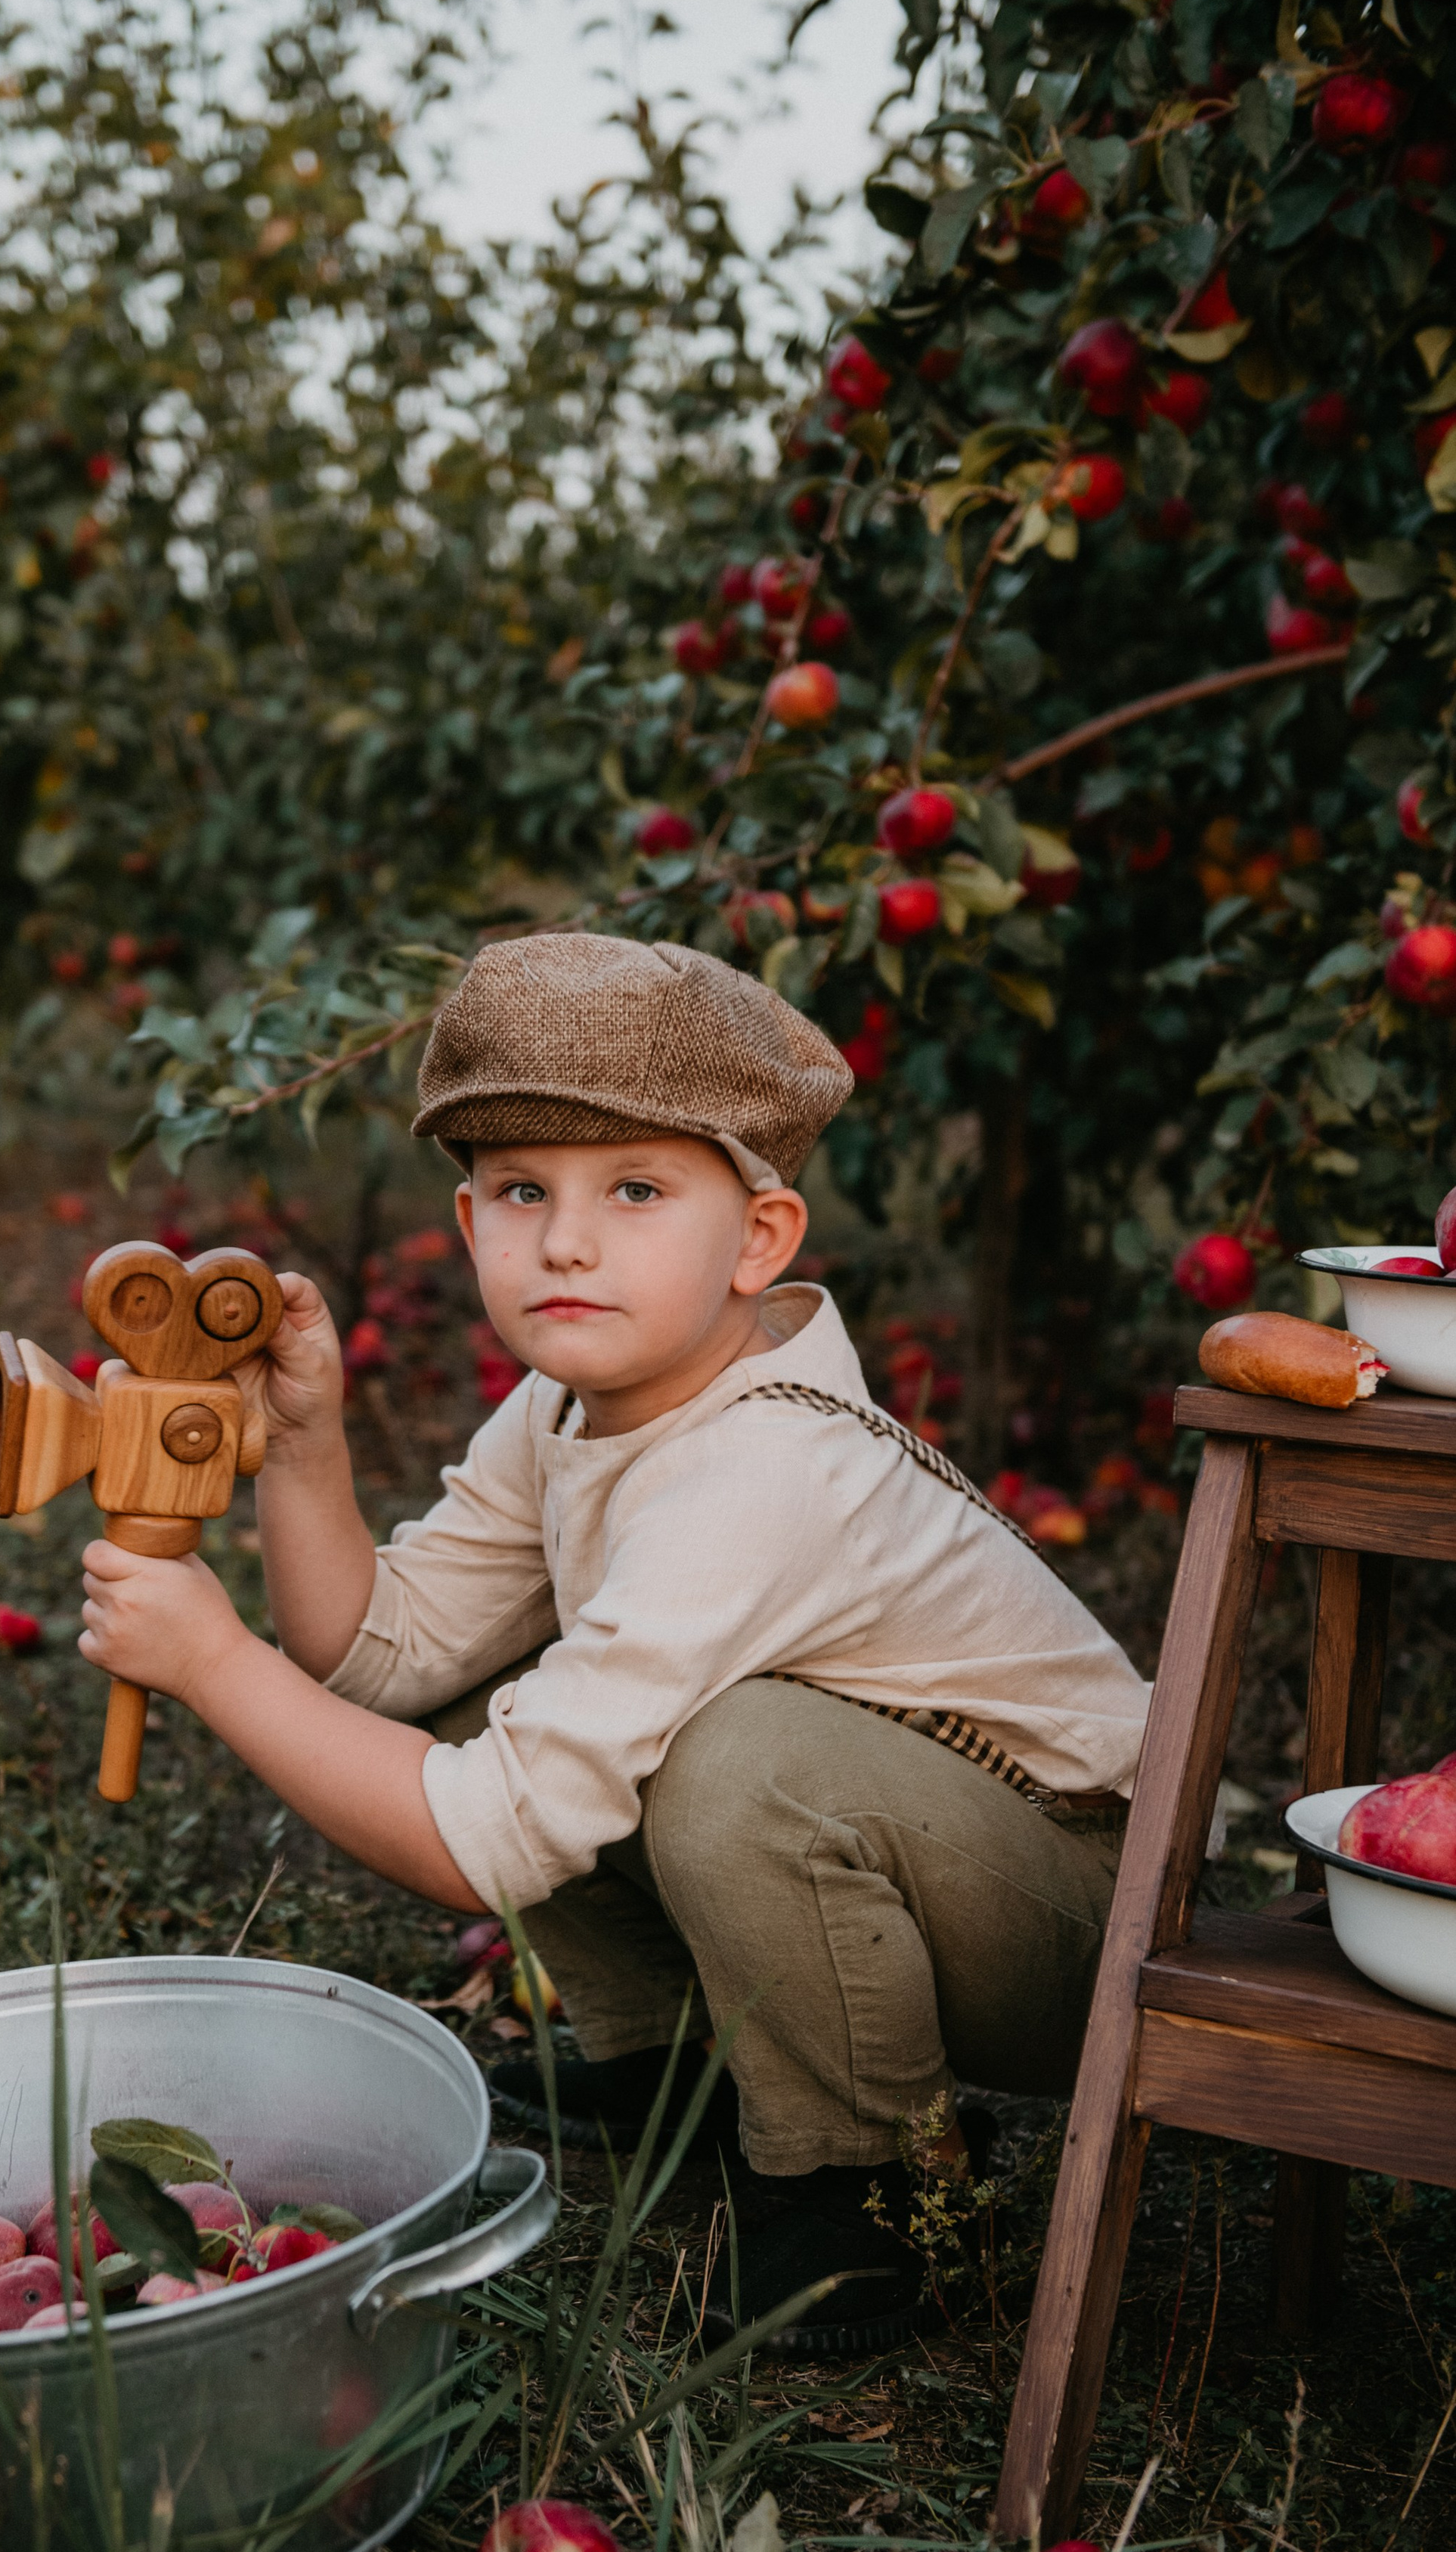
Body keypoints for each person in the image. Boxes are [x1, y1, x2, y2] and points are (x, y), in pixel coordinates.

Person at [79, 932, 1151, 2354]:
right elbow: (388, 1659)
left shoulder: (762, 1471)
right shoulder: (576, 1403)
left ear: (758, 1240)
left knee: (741, 1765)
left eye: (636, 1191)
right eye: (523, 1191)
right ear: (470, 1223)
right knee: (497, 1693)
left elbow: (484, 1841)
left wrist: (215, 1662)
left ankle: (879, 2195)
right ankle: (680, 2065)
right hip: (929, 1864)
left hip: (1089, 1923)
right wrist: (306, 1441)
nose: (566, 1243)